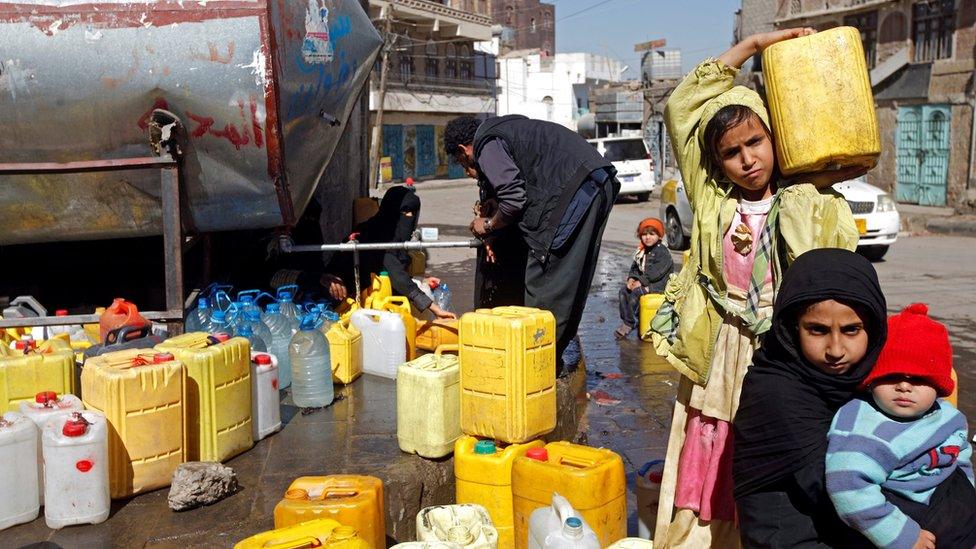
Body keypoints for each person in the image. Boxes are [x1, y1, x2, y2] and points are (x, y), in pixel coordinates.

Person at [649, 28, 863, 547]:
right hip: (721, 348)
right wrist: (755, 45)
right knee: (711, 440)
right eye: (730, 152)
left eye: (755, 142)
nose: (746, 159)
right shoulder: (712, 199)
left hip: (780, 350)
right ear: (716, 162)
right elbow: (683, 104)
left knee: (775, 445)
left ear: (776, 139)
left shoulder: (807, 199)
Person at [732, 248, 885, 548]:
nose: (836, 350)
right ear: (791, 327)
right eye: (818, 330)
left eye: (851, 330)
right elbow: (841, 490)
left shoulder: (867, 381)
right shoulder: (776, 392)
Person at [444, 114, 620, 374]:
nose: (469, 172)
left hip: (576, 189)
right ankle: (552, 355)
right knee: (571, 278)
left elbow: (514, 199)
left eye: (463, 163)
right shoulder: (504, 129)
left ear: (463, 149)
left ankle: (538, 364)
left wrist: (488, 225)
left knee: (545, 280)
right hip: (594, 181)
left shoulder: (486, 144)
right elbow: (520, 179)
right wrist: (495, 204)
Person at [826, 303, 976, 549]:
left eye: (918, 379)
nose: (904, 386)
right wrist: (901, 535)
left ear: (939, 386)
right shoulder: (863, 426)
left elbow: (960, 457)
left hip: (951, 505)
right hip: (900, 519)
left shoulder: (949, 417)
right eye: (891, 375)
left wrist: (968, 496)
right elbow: (847, 487)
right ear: (872, 382)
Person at [319, 186, 456, 319]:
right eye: (404, 211)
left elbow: (392, 272)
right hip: (342, 304)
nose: (409, 216)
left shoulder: (386, 233)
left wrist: (422, 281)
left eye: (412, 212)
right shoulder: (376, 236)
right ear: (390, 210)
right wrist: (436, 309)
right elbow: (396, 275)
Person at [616, 217, 673, 340]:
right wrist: (631, 279)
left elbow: (656, 273)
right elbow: (635, 268)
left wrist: (640, 282)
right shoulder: (641, 251)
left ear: (659, 235)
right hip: (645, 282)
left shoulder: (662, 252)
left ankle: (629, 323)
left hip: (660, 285)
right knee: (623, 291)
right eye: (644, 234)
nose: (647, 237)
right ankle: (628, 319)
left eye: (652, 234)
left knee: (637, 292)